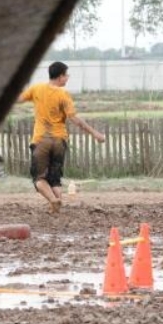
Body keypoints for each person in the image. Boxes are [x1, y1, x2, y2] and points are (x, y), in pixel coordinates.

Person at [17, 61, 105, 213]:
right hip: (59, 141)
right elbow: (75, 119)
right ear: (60, 76)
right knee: (55, 179)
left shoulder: (36, 89)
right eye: (67, 75)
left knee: (39, 178)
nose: (68, 78)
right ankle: (56, 209)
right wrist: (94, 133)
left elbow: (17, 98)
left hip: (40, 140)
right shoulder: (63, 94)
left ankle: (52, 200)